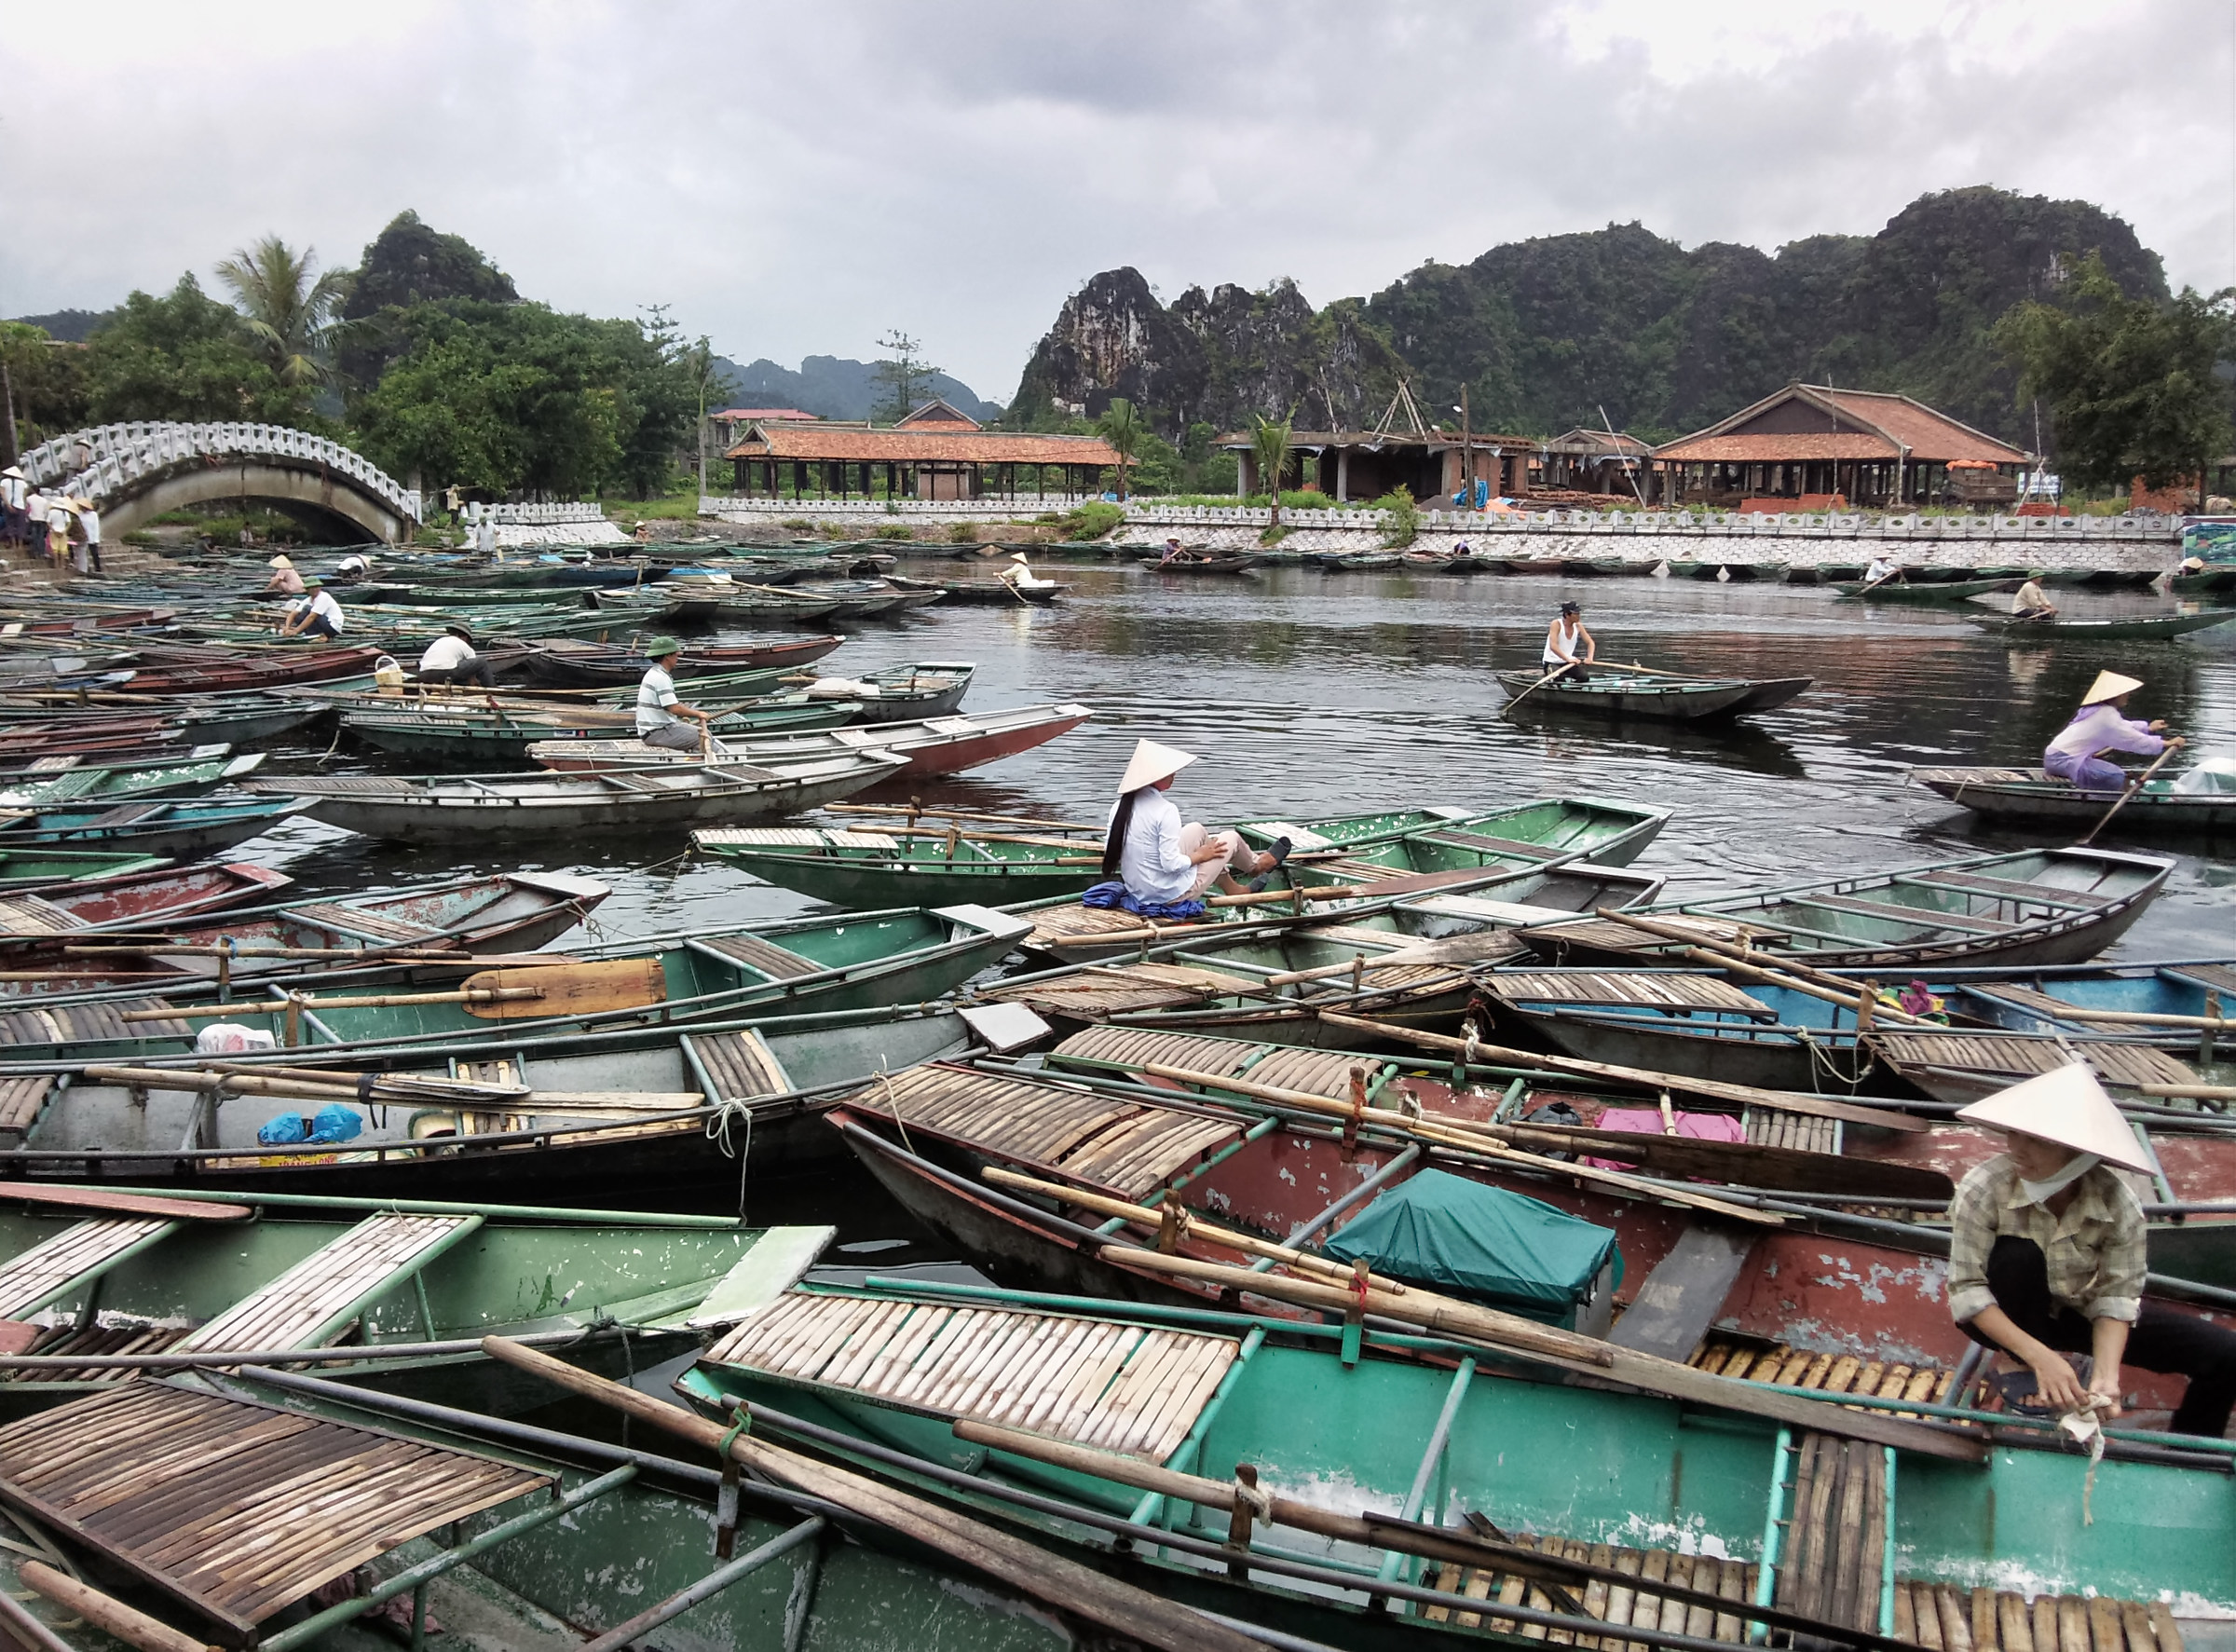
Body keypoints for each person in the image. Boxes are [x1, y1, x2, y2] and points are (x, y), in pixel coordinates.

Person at [1948, 1063, 2236, 1439]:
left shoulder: (2118, 1203)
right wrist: (2041, 1359)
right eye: (2014, 1133)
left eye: (2037, 1139)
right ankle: (2014, 1362)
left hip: (2079, 1308)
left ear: (2078, 1152)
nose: (2017, 1148)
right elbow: (1967, 1292)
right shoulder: (1984, 1188)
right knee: (2019, 1255)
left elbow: (2117, 1295)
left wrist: (2106, 1377)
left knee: (2227, 1354)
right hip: (2010, 1312)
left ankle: (2194, 1449)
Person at [1101, 739, 1284, 905]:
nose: (1174, 774)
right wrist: (1199, 856)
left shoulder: (1118, 807)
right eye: (1169, 772)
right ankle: (1256, 866)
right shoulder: (1165, 810)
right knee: (1230, 838)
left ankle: (1234, 890)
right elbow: (1170, 865)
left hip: (1139, 889)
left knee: (1196, 829)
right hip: (1167, 895)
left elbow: (1110, 849)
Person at [2043, 670, 2182, 795]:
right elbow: (2132, 739)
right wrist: (2167, 743)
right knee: (2116, 776)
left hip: (2055, 757)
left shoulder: (2099, 710)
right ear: (2116, 695)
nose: (2127, 696)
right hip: (2064, 761)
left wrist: (2148, 728)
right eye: (2124, 693)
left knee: (2114, 772)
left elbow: (2122, 727)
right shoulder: (2106, 715)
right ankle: (2099, 801)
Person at [635, 637, 714, 751]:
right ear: (667, 656)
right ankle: (696, 764)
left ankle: (694, 758)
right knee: (704, 737)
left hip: (653, 731)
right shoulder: (660, 678)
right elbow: (675, 709)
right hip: (658, 732)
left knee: (702, 735)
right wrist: (699, 714)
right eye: (676, 655)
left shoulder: (653, 673)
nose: (677, 658)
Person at [416, 622, 496, 688]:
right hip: (444, 672)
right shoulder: (463, 644)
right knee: (482, 662)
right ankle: (493, 691)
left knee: (456, 667)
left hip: (423, 674)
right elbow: (474, 668)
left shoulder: (440, 641)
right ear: (464, 637)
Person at [1542, 600, 1595, 685]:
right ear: (1567, 615)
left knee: (1584, 677)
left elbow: (1590, 643)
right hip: (1552, 662)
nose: (1579, 616)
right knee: (1559, 679)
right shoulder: (1556, 624)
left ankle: (1575, 692)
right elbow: (1553, 646)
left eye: (1579, 613)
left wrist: (1590, 658)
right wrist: (1567, 659)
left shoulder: (1578, 626)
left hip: (1568, 663)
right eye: (1576, 614)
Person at [277, 579, 346, 641]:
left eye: (316, 587)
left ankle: (324, 635)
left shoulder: (324, 596)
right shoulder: (309, 599)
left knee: (308, 609)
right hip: (321, 624)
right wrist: (287, 627)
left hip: (332, 627)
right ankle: (312, 634)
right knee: (298, 615)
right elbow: (293, 613)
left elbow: (312, 617)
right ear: (307, 589)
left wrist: (296, 631)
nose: (314, 589)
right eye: (311, 588)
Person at [73, 498, 101, 575]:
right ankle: (85, 568)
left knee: (94, 553)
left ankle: (98, 568)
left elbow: (96, 526)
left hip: (92, 536)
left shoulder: (93, 515)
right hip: (83, 537)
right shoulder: (79, 515)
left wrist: (96, 538)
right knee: (83, 553)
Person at [43, 497, 72, 569]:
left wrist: (52, 529)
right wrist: (65, 530)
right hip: (63, 531)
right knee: (63, 549)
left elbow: (48, 522)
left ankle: (56, 564)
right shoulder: (65, 512)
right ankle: (62, 564)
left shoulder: (51, 511)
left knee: (54, 548)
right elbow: (69, 523)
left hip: (54, 531)